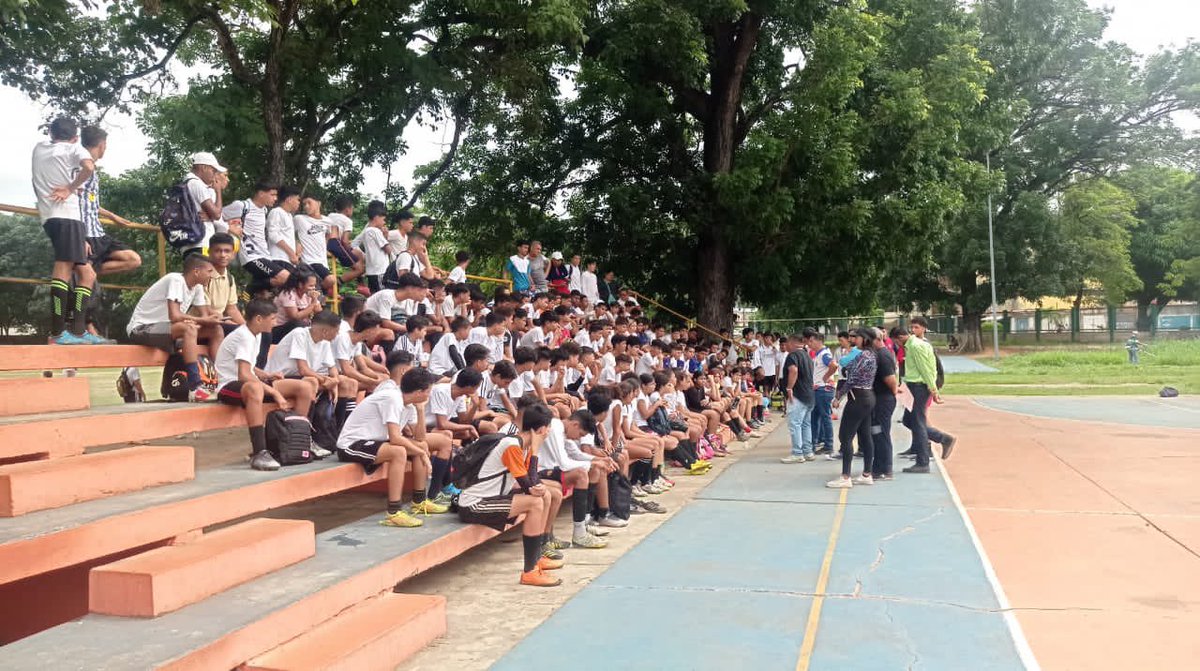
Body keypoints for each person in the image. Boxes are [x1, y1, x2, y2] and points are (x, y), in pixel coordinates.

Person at [456, 401, 565, 587]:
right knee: (535, 503)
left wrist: (537, 485)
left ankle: (538, 557)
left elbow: (532, 482)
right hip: (475, 504)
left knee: (545, 495)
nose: (548, 433)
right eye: (547, 429)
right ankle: (529, 571)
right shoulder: (511, 445)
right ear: (539, 430)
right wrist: (537, 452)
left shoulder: (524, 446)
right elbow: (527, 486)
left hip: (491, 499)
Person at [337, 362, 448, 528]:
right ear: (419, 392)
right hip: (352, 444)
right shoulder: (392, 398)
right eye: (429, 391)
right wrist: (422, 454)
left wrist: (420, 411)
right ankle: (393, 512)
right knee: (399, 452)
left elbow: (420, 438)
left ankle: (419, 501)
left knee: (421, 446)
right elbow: (396, 438)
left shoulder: (409, 404)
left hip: (377, 441)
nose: (429, 395)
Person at [214, 299, 317, 471]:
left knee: (304, 387)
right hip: (229, 386)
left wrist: (267, 375)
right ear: (259, 319)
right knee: (255, 388)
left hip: (248, 382)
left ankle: (293, 442)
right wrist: (274, 392)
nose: (276, 323)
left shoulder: (256, 334)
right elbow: (243, 374)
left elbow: (249, 367)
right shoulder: (244, 336)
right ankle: (259, 452)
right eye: (273, 319)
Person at [32, 117, 99, 344]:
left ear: (51, 132)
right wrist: (71, 188)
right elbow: (89, 166)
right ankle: (59, 333)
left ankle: (79, 331)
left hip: (52, 217)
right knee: (63, 268)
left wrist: (72, 184)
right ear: (75, 138)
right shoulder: (74, 148)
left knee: (87, 274)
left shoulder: (40, 148)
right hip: (66, 215)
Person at [127, 255, 225, 400]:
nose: (212, 275)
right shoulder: (176, 280)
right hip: (142, 328)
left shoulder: (197, 287)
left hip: (168, 331)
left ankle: (223, 380)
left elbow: (204, 316)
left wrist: (213, 319)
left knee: (216, 330)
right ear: (196, 271)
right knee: (188, 329)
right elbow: (175, 315)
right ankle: (195, 386)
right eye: (209, 271)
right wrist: (201, 320)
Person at [78, 126, 141, 279]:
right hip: (85, 233)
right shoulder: (82, 167)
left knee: (133, 260)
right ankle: (83, 274)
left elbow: (89, 203)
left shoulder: (91, 169)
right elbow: (73, 202)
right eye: (105, 146)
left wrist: (112, 216)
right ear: (102, 145)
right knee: (84, 279)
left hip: (98, 233)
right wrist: (79, 237)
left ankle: (88, 272)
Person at [828, 328, 878, 488]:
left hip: (858, 398)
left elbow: (852, 377)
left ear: (865, 339)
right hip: (867, 396)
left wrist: (838, 397)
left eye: (856, 337)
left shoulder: (863, 355)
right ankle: (866, 474)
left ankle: (845, 477)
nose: (853, 340)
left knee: (845, 436)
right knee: (865, 435)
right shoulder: (871, 354)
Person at [226, 181, 287, 294]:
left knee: (263, 296)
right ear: (261, 193)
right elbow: (217, 216)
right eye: (272, 195)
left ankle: (247, 299)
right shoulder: (242, 206)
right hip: (251, 257)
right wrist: (229, 228)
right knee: (284, 276)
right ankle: (248, 289)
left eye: (276, 195)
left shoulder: (264, 210)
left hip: (265, 255)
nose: (275, 198)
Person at [900, 317, 942, 473]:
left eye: (916, 327)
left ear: (923, 328)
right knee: (909, 420)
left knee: (918, 422)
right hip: (912, 385)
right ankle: (941, 439)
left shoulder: (919, 346)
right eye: (912, 327)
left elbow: (928, 368)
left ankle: (923, 460)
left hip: (919, 386)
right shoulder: (911, 345)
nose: (913, 330)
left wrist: (934, 389)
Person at [780, 334, 815, 464]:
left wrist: (789, 388)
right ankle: (808, 451)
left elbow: (793, 370)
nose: (786, 346)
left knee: (795, 424)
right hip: (809, 394)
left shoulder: (793, 356)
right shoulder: (807, 355)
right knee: (806, 424)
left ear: (793, 343)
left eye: (787, 343)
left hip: (798, 395)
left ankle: (797, 453)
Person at [870, 327, 899, 481]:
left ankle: (886, 468)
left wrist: (893, 392)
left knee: (882, 433)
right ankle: (878, 467)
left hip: (884, 399)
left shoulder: (883, 355)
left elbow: (891, 379)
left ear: (876, 339)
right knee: (876, 433)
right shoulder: (878, 354)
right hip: (879, 399)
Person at [293, 196, 336, 296]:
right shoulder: (299, 219)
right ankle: (317, 291)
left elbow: (329, 235)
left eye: (309, 203)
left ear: (319, 203)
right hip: (308, 261)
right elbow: (289, 234)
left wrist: (324, 247)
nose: (306, 206)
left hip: (322, 261)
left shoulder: (327, 221)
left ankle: (318, 291)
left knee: (320, 301)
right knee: (331, 279)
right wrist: (297, 246)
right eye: (304, 204)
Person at [204, 233, 244, 334]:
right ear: (209, 252)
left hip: (220, 322)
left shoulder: (230, 278)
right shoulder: (204, 276)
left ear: (233, 254)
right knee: (239, 332)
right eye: (218, 251)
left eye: (227, 251)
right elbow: (206, 310)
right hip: (203, 324)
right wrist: (226, 321)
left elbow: (232, 309)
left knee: (259, 334)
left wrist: (247, 327)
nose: (223, 255)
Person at [808, 331, 837, 454]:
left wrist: (826, 377)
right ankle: (813, 443)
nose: (810, 344)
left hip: (823, 389)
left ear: (818, 341)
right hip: (818, 388)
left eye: (811, 341)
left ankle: (828, 444)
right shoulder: (818, 354)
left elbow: (834, 365)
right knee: (815, 417)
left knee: (824, 416)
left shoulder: (824, 354)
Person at [325, 195, 365, 285]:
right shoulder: (347, 221)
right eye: (352, 209)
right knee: (360, 269)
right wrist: (348, 249)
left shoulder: (330, 216)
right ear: (348, 209)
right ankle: (338, 283)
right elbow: (344, 241)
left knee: (358, 253)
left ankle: (360, 279)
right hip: (335, 244)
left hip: (325, 243)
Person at [266, 186, 302, 270]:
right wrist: (291, 253)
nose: (298, 203)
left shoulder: (289, 216)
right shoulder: (276, 212)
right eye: (297, 199)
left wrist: (296, 244)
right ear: (289, 199)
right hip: (279, 258)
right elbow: (273, 235)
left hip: (288, 261)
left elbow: (286, 235)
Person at [358, 201, 391, 293]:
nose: (384, 222)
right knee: (382, 296)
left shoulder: (366, 231)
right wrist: (385, 235)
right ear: (377, 217)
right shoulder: (375, 231)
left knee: (374, 297)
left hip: (371, 271)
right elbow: (388, 249)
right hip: (380, 271)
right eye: (383, 219)